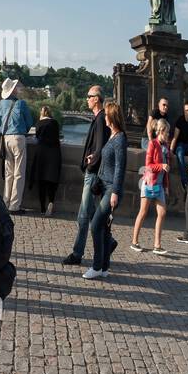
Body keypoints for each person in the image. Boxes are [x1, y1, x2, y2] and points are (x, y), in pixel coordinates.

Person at [63, 86, 108, 266]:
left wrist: (91, 163)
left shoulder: (100, 119)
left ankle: (77, 253)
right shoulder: (100, 118)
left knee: (83, 215)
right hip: (93, 172)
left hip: (92, 174)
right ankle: (109, 242)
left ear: (96, 99)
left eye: (89, 96)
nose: (86, 99)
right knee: (91, 213)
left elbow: (101, 147)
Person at [84, 102, 127, 279]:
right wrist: (95, 156)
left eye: (107, 115)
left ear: (112, 117)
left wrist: (115, 192)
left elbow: (120, 167)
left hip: (111, 188)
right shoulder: (112, 136)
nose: (105, 118)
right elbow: (107, 159)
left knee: (95, 225)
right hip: (104, 186)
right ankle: (104, 268)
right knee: (104, 229)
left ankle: (96, 266)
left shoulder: (120, 138)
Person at [0, 77, 34, 214]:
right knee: (19, 173)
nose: (17, 89)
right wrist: (23, 131)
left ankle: (5, 202)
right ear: (13, 90)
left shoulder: (1, 104)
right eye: (15, 88)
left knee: (9, 172)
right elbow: (29, 122)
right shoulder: (21, 104)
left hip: (5, 139)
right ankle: (14, 206)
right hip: (18, 137)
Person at [130, 119, 171, 255]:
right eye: (167, 132)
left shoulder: (166, 146)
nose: (168, 135)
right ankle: (134, 242)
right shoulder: (152, 144)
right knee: (143, 212)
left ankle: (157, 245)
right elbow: (148, 165)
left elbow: (166, 172)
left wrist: (166, 186)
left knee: (162, 213)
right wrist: (161, 166)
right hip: (149, 183)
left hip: (159, 185)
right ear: (160, 131)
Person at [32, 106, 62, 217]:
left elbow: (37, 137)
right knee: (51, 180)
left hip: (41, 153)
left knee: (41, 181)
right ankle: (51, 202)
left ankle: (42, 208)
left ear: (42, 113)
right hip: (54, 153)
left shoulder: (39, 123)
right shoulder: (55, 123)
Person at [171, 101, 188, 195]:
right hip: (180, 144)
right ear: (184, 111)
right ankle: (184, 181)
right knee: (180, 154)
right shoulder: (180, 120)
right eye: (186, 110)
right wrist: (171, 151)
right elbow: (175, 137)